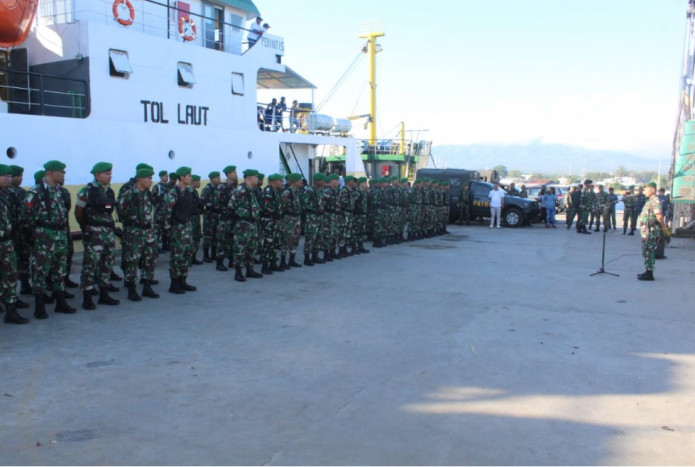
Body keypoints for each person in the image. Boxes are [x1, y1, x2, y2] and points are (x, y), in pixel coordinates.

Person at [24, 160, 76, 318]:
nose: (63, 175)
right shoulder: (36, 191)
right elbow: (26, 217)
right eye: (61, 172)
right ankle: (39, 306)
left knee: (59, 270)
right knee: (40, 271)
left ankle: (60, 302)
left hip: (60, 235)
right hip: (44, 235)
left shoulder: (59, 191)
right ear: (50, 173)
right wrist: (35, 236)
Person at [75, 162, 120, 310]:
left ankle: (104, 294)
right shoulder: (86, 191)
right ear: (96, 175)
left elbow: (109, 210)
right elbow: (78, 213)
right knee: (90, 266)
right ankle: (87, 297)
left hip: (107, 233)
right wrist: (86, 227)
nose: (110, 176)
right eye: (107, 174)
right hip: (94, 233)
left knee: (107, 264)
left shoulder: (108, 191)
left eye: (110, 173)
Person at [116, 165, 160, 301]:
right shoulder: (128, 194)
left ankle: (147, 286)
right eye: (149, 178)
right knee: (132, 261)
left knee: (150, 259)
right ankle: (131, 289)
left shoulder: (148, 193)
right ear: (140, 179)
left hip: (148, 231)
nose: (151, 181)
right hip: (134, 232)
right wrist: (132, 224)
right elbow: (121, 213)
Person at [0, 164, 30, 324]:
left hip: (7, 242)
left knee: (10, 275)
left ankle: (10, 310)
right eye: (5, 176)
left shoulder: (5, 195)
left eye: (10, 176)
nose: (8, 179)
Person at [163, 167, 197, 294]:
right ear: (181, 177)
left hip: (187, 227)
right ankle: (174, 283)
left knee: (187, 254)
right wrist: (168, 230)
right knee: (177, 256)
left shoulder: (189, 191)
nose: (190, 178)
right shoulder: (173, 193)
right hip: (177, 228)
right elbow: (167, 212)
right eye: (188, 175)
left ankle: (183, 280)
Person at [229, 169, 263, 282]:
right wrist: (240, 216)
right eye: (255, 177)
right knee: (240, 248)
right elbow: (231, 206)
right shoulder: (240, 189)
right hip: (243, 224)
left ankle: (249, 269)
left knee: (252, 247)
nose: (257, 179)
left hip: (252, 223)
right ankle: (238, 272)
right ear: (248, 178)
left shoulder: (252, 190)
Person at [637, 182, 664, 281]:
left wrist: (663, 227)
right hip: (646, 231)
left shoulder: (655, 200)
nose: (644, 191)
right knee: (646, 251)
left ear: (652, 190)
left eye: (646, 189)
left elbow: (659, 216)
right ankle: (647, 270)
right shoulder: (650, 200)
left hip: (651, 231)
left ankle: (649, 273)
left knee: (649, 251)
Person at [279, 173, 304, 268]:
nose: (301, 182)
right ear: (294, 182)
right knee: (285, 239)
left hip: (296, 218)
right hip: (288, 219)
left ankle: (292, 260)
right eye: (299, 180)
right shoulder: (287, 193)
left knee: (295, 239)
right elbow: (282, 207)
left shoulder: (297, 191)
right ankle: (282, 261)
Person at [260, 173, 283, 273]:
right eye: (280, 181)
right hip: (268, 221)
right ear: (275, 182)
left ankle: (273, 263)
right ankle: (265, 266)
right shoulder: (268, 191)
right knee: (268, 243)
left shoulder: (276, 191)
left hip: (275, 220)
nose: (282, 183)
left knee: (275, 242)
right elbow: (266, 207)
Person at [301, 173, 326, 266]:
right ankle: (307, 257)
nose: (324, 182)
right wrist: (315, 209)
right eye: (322, 180)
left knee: (319, 237)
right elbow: (305, 205)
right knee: (310, 238)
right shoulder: (309, 191)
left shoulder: (321, 190)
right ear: (317, 181)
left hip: (320, 217)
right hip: (312, 217)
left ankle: (315, 256)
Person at [200, 171, 221, 263]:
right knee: (208, 236)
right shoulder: (207, 189)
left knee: (216, 235)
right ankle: (205, 255)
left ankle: (213, 254)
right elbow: (201, 202)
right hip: (209, 215)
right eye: (217, 178)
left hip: (217, 215)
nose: (219, 180)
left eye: (219, 178)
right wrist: (206, 209)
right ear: (212, 179)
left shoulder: (219, 189)